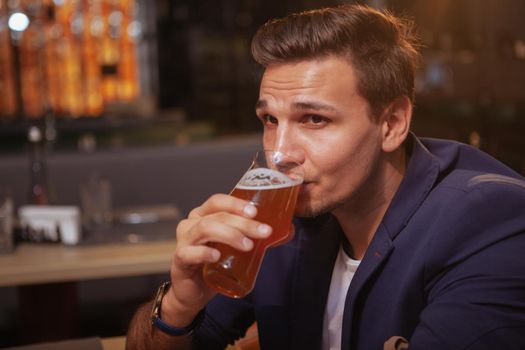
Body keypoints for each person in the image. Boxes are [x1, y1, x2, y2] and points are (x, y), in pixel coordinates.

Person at [126, 4, 525, 350]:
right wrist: (180, 304)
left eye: (314, 119)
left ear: (392, 123)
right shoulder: (278, 221)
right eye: (270, 120)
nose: (280, 155)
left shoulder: (489, 221)